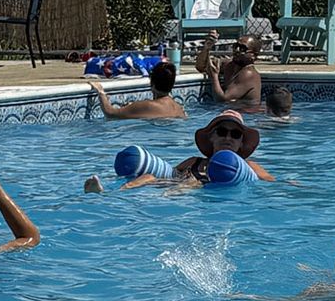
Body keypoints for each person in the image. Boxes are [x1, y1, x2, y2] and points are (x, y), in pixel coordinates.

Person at [103, 109, 273, 189]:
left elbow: (270, 183)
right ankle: (114, 192)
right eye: (221, 132)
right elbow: (171, 174)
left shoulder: (249, 166)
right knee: (149, 176)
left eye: (235, 134)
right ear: (211, 137)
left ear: (241, 142)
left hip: (195, 195)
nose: (228, 138)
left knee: (193, 183)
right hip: (177, 190)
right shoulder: (195, 162)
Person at [89, 61, 185, 120]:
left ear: (152, 83)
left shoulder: (148, 106)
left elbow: (111, 114)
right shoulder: (179, 109)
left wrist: (101, 92)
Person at [196, 34, 263, 106]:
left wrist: (214, 77)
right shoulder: (229, 65)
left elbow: (222, 101)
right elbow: (200, 67)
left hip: (247, 114)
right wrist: (206, 48)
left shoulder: (249, 74)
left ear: (254, 56)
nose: (237, 50)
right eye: (235, 46)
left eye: (242, 48)